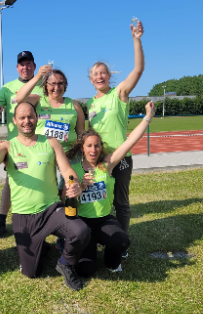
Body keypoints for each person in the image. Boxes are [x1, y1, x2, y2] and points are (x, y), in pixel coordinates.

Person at [0, 102, 91, 291]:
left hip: (51, 210)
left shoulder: (50, 142)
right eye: (22, 117)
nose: (27, 121)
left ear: (37, 118)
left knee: (81, 232)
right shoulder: (8, 146)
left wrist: (73, 184)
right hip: (23, 216)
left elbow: (67, 170)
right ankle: (42, 246)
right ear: (14, 121)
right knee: (31, 273)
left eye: (30, 116)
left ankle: (65, 263)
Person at [65, 102, 155, 276]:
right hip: (83, 223)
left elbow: (129, 142)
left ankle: (111, 261)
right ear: (82, 148)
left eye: (97, 145)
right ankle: (85, 250)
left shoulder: (105, 165)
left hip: (104, 220)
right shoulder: (73, 170)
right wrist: (81, 186)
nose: (93, 150)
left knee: (121, 241)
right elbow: (67, 202)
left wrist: (148, 117)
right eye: (89, 146)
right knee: (86, 271)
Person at [86, 20, 145, 257]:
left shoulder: (118, 93)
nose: (99, 76)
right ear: (91, 80)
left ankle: (121, 244)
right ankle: (102, 236)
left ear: (109, 76)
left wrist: (136, 39)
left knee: (121, 203)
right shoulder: (90, 103)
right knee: (99, 201)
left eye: (103, 73)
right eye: (95, 74)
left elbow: (138, 70)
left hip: (120, 158)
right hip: (98, 160)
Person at [0, 51, 43, 239]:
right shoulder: (7, 87)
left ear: (34, 67)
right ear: (17, 67)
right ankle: (2, 222)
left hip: (40, 142)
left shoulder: (43, 85)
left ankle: (44, 217)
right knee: (10, 183)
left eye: (28, 64)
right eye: (22, 64)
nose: (25, 67)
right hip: (16, 144)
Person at [15, 65, 86, 195]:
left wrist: (75, 150)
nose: (56, 87)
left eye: (60, 83)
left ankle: (67, 213)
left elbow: (81, 134)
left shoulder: (74, 105)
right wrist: (37, 76)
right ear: (46, 85)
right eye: (52, 83)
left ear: (65, 85)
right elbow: (19, 99)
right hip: (44, 155)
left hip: (69, 156)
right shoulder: (38, 100)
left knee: (68, 192)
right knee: (47, 192)